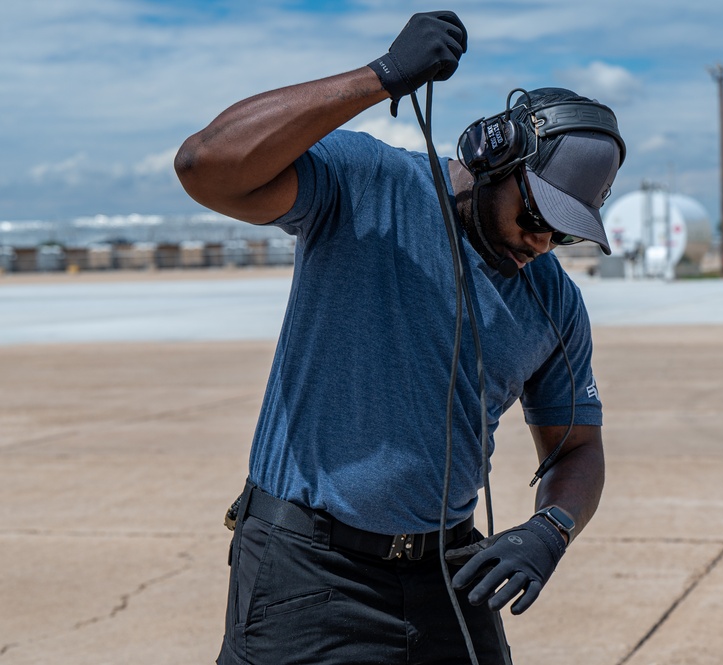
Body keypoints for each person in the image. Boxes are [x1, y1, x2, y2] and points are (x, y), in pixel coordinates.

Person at [175, 10, 625, 665]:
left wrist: (550, 528)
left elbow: (576, 446)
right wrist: (380, 77)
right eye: (534, 216)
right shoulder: (367, 187)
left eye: (563, 231)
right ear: (493, 156)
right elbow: (206, 165)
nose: (541, 241)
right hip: (307, 570)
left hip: (447, 568)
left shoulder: (553, 299)